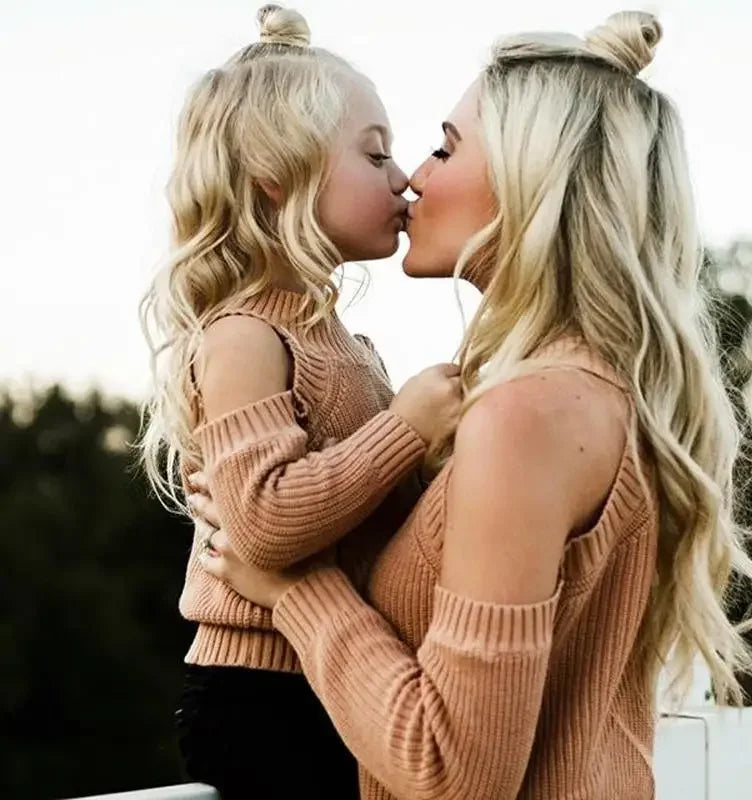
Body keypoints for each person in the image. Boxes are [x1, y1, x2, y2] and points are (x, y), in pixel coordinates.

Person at [195, 11, 752, 799]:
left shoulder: (528, 415)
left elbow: (453, 775)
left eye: (445, 146)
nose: (417, 177)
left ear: (526, 179)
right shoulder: (594, 390)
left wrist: (296, 588)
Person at [139, 5, 460, 797]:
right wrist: (407, 428)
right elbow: (263, 529)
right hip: (264, 695)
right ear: (279, 177)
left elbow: (371, 509)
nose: (403, 177)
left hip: (337, 669)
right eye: (375, 154)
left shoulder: (335, 338)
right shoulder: (243, 336)